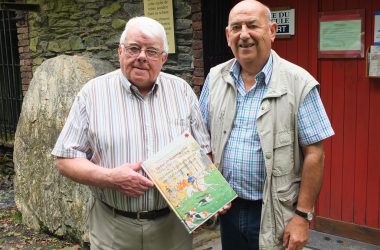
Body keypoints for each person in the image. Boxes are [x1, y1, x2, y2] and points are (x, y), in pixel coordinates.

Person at [52, 16, 211, 250]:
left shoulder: (182, 92)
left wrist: (207, 198)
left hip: (173, 227)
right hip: (113, 226)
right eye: (134, 48)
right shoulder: (92, 94)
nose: (142, 57)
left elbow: (204, 153)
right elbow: (65, 159)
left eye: (152, 51)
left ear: (163, 58)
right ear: (120, 51)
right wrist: (110, 178)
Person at [199, 1, 334, 249]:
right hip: (227, 208)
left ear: (272, 31)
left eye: (252, 25)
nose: (244, 34)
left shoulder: (299, 83)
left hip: (274, 211)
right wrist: (207, 194)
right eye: (236, 27)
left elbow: (315, 155)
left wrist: (302, 217)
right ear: (228, 35)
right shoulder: (215, 77)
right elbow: (202, 140)